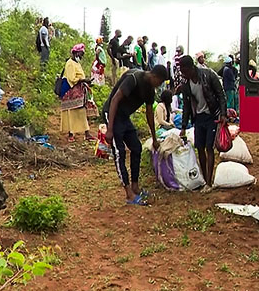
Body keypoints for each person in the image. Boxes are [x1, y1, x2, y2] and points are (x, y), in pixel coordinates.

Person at [104, 65, 168, 205]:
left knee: (136, 147)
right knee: (119, 152)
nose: (160, 85)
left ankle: (135, 186)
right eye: (160, 81)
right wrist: (110, 129)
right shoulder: (133, 78)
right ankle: (129, 194)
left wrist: (154, 138)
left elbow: (149, 113)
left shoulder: (150, 90)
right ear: (155, 76)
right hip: (113, 115)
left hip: (124, 117)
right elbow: (115, 100)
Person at [178, 55, 227, 193]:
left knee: (209, 148)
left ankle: (209, 183)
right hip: (198, 118)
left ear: (191, 67)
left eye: (184, 71)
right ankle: (205, 180)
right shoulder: (186, 84)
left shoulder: (208, 75)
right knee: (199, 147)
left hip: (212, 116)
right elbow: (186, 106)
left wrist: (223, 114)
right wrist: (183, 127)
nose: (183, 74)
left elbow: (220, 94)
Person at [61, 44, 97, 142]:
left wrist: (86, 82)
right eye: (81, 54)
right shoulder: (70, 63)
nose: (81, 56)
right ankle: (71, 134)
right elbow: (72, 79)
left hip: (78, 91)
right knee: (72, 112)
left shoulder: (76, 63)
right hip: (70, 91)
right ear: (76, 53)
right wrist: (84, 80)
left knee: (82, 112)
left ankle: (87, 133)